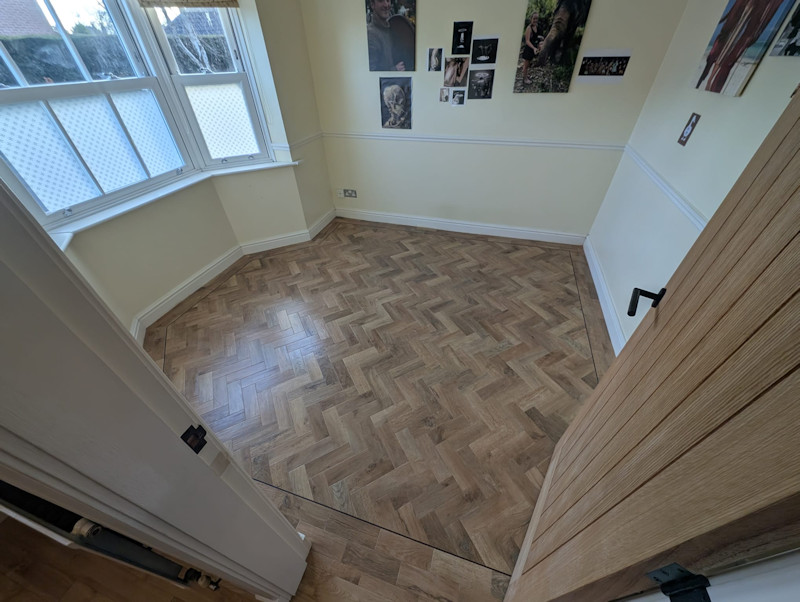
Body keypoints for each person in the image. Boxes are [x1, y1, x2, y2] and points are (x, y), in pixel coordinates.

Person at [367, 0, 405, 71]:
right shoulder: (371, 34)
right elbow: (372, 72)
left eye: (388, 0)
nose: (386, 5)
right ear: (372, 5)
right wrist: (395, 70)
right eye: (381, 1)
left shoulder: (391, 28)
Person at [521, 12, 544, 85]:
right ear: (531, 19)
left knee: (529, 64)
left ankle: (526, 76)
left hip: (534, 48)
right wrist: (534, 48)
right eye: (534, 18)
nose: (535, 20)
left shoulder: (538, 27)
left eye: (537, 18)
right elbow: (527, 41)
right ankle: (524, 79)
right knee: (526, 65)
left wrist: (542, 39)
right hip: (529, 48)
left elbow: (538, 38)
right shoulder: (529, 28)